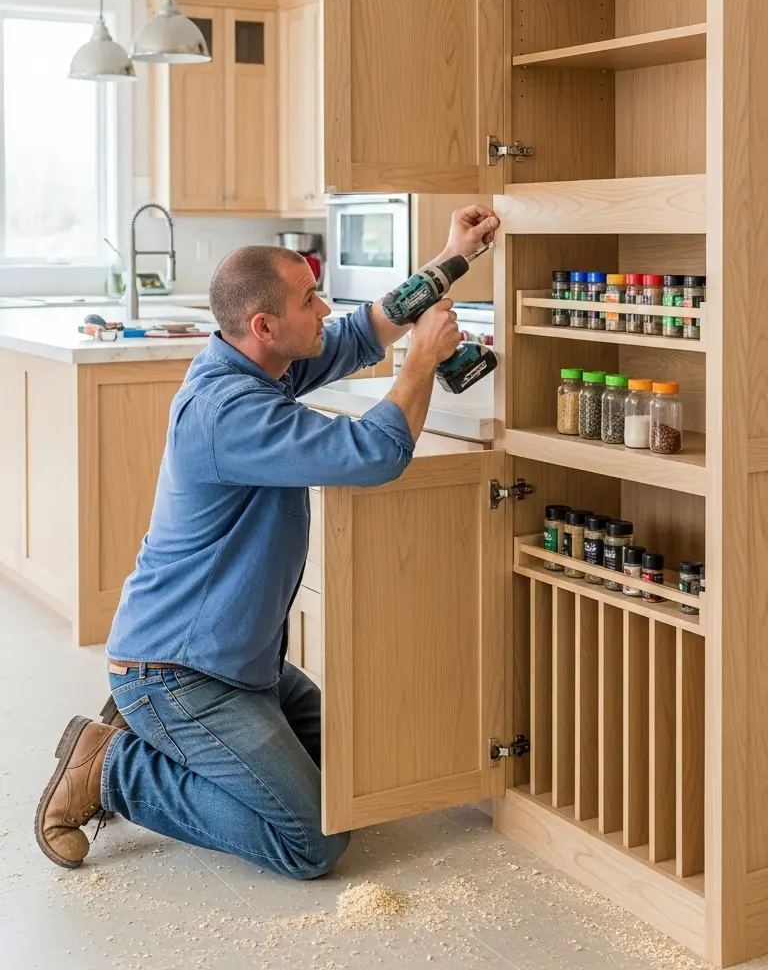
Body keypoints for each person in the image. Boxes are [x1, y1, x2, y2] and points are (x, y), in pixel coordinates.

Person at [35, 204, 499, 880]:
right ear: (264, 325)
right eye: (310, 298)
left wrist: (454, 255)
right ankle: (111, 768)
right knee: (312, 841)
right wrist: (421, 362)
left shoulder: (259, 365)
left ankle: (180, 751)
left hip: (242, 663)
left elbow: (366, 328)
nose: (324, 307)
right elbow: (373, 453)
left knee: (361, 773)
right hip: (179, 674)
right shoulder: (229, 411)